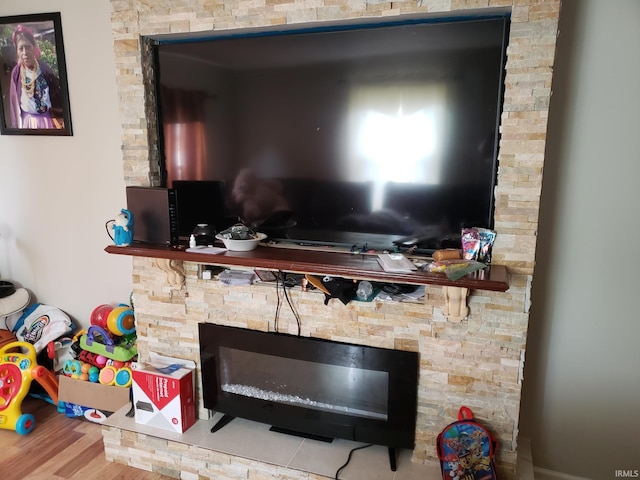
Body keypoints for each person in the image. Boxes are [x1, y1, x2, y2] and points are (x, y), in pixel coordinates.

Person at [8, 24, 63, 129]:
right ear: (17, 51)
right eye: (21, 48)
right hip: (27, 122)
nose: (25, 52)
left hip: (46, 120)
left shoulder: (44, 68)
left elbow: (57, 94)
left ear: (34, 47)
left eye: (27, 47)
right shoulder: (16, 72)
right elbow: (13, 101)